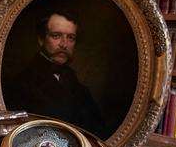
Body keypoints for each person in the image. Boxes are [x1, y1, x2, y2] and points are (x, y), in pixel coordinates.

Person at [13, 11, 107, 139]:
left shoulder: (74, 81)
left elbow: (97, 127)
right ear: (41, 40)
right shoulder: (22, 83)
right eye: (56, 36)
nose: (64, 44)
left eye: (70, 38)